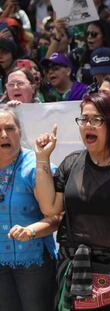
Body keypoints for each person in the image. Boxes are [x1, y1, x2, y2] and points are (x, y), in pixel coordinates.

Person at [34, 93, 110, 310]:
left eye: (96, 120)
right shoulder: (72, 162)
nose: (88, 125)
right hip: (76, 272)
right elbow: (49, 207)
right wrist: (42, 158)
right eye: (84, 119)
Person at [0, 108, 59, 311]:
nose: (4, 135)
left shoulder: (35, 166)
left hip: (33, 263)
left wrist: (31, 231)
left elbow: (55, 216)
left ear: (20, 132)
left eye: (10, 128)